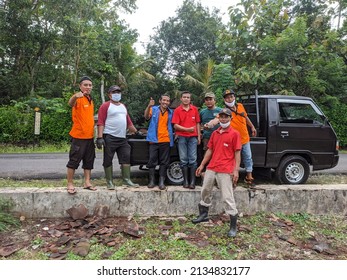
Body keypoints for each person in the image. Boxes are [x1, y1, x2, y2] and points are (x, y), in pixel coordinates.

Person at [192, 108, 241, 238]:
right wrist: (202, 165)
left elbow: (237, 153)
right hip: (212, 167)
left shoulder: (235, 134)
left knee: (227, 197)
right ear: (218, 118)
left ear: (231, 118)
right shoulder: (215, 133)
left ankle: (233, 226)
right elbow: (209, 151)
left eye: (226, 117)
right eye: (222, 117)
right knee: (205, 190)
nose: (224, 119)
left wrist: (236, 170)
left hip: (226, 169)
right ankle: (203, 215)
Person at [206, 89, 257, 187]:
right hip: (232, 141)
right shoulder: (224, 111)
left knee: (248, 158)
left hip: (245, 138)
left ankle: (249, 178)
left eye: (231, 97)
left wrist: (252, 126)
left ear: (234, 97)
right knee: (232, 160)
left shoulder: (241, 106)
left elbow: (245, 117)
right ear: (224, 100)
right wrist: (209, 124)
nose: (229, 99)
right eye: (227, 98)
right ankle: (232, 180)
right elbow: (216, 119)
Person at [96, 85, 140, 189]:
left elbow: (128, 122)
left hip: (122, 138)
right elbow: (101, 122)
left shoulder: (123, 106)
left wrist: (137, 132)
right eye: (114, 92)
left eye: (118, 92)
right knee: (108, 159)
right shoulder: (105, 106)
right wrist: (99, 137)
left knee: (126, 157)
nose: (116, 94)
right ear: (109, 94)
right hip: (110, 136)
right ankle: (109, 182)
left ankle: (126, 179)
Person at [66, 76, 97, 194]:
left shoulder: (90, 99)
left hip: (89, 137)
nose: (88, 87)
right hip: (78, 136)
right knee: (74, 161)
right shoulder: (78, 98)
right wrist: (74, 96)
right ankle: (70, 183)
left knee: (89, 161)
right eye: (85, 85)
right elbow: (70, 103)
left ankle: (87, 182)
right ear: (80, 86)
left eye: (90, 85)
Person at [171, 91, 201, 189]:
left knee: (193, 159)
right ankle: (186, 181)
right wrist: (186, 129)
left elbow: (197, 123)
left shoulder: (195, 109)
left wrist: (199, 136)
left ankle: (192, 182)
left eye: (188, 97)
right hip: (182, 136)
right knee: (183, 159)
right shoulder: (177, 110)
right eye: (184, 97)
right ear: (181, 98)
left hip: (193, 137)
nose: (186, 99)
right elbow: (175, 125)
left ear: (190, 99)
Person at [144, 94, 174, 190]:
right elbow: (146, 117)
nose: (165, 102)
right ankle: (152, 181)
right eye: (164, 100)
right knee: (152, 160)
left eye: (167, 101)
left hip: (165, 139)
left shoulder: (170, 112)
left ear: (169, 103)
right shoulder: (154, 109)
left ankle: (161, 182)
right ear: (160, 101)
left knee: (164, 162)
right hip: (154, 139)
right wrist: (149, 106)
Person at [198, 92, 222, 179]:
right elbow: (198, 124)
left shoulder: (220, 111)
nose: (209, 102)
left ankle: (218, 176)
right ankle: (206, 175)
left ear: (215, 100)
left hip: (219, 138)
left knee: (219, 156)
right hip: (207, 138)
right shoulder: (202, 112)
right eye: (207, 100)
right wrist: (200, 132)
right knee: (207, 155)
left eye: (210, 99)